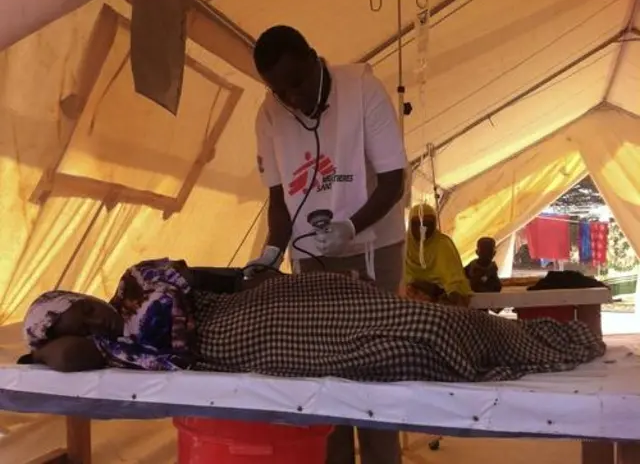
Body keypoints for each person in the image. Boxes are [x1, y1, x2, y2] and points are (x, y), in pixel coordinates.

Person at [23, 259, 605, 382]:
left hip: (258, 304)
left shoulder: (135, 280)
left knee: (398, 311)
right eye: (72, 322)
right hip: (243, 343)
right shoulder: (114, 347)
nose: (87, 315)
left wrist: (258, 276)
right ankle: (516, 344)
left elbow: (205, 275)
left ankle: (536, 337)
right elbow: (68, 357)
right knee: (422, 341)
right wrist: (47, 345)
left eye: (74, 305)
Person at [245, 25, 408, 464]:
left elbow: (394, 179)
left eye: (297, 82)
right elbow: (279, 198)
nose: (292, 98)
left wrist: (352, 227)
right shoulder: (268, 114)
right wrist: (271, 253)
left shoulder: (362, 90)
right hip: (310, 258)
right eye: (280, 91)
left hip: (374, 246)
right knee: (324, 380)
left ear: (315, 59)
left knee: (373, 374)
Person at [405, 203, 472, 306]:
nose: (423, 228)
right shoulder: (402, 246)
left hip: (440, 303)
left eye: (427, 224)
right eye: (417, 223)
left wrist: (446, 293)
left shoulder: (444, 245)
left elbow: (456, 282)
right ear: (410, 224)